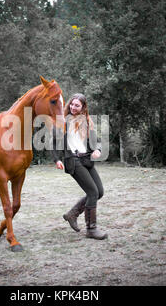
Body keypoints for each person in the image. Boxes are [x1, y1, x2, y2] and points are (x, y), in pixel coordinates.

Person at [51, 93, 107, 240]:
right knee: (93, 192)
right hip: (73, 161)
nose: (73, 107)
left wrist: (97, 150)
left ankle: (72, 214)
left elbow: (97, 140)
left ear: (83, 107)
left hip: (87, 161)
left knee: (99, 192)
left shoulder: (87, 121)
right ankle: (91, 229)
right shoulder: (62, 121)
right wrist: (57, 159)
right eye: (72, 104)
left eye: (77, 105)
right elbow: (54, 143)